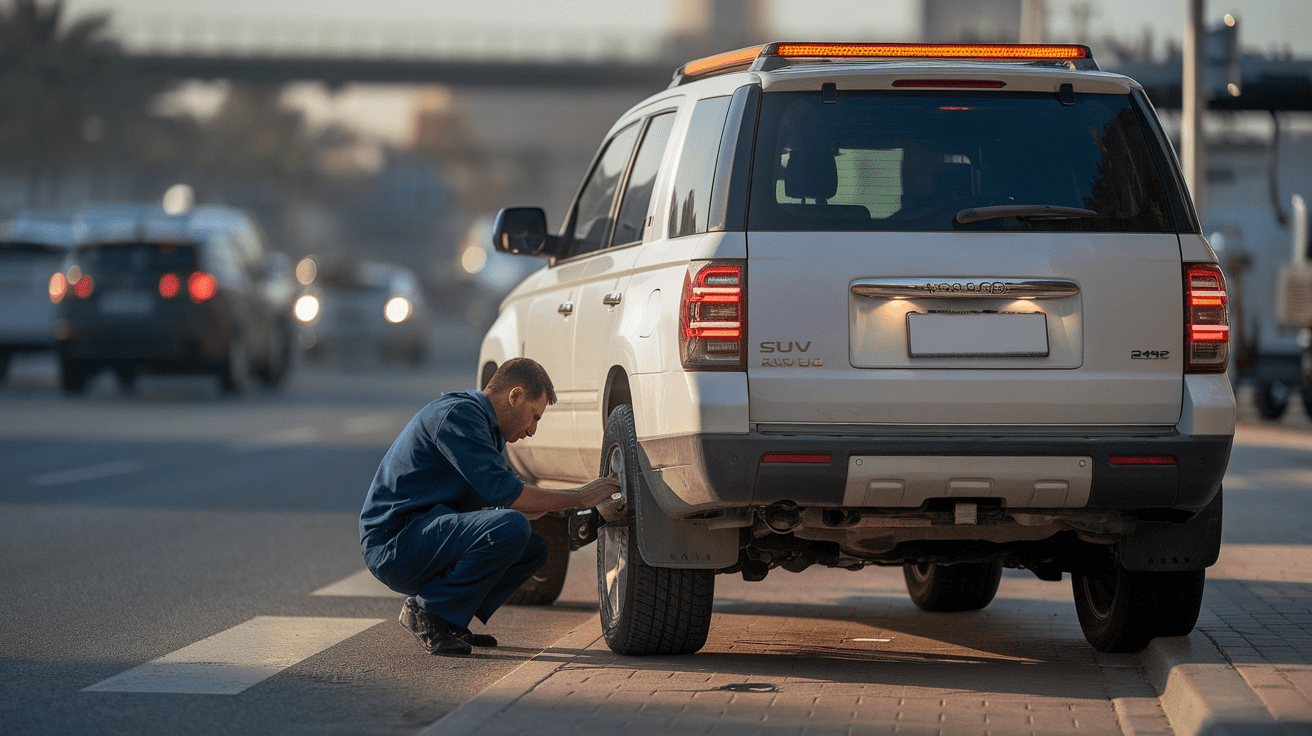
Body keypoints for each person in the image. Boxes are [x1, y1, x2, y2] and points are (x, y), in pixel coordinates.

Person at [359, 357, 618, 656]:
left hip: (424, 533)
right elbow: (514, 498)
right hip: (394, 543)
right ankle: (429, 613)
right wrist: (580, 496)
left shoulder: (486, 428)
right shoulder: (460, 416)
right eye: (534, 416)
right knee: (512, 527)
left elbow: (515, 501)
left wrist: (573, 506)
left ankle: (450, 618)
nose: (532, 429)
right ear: (515, 395)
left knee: (534, 549)